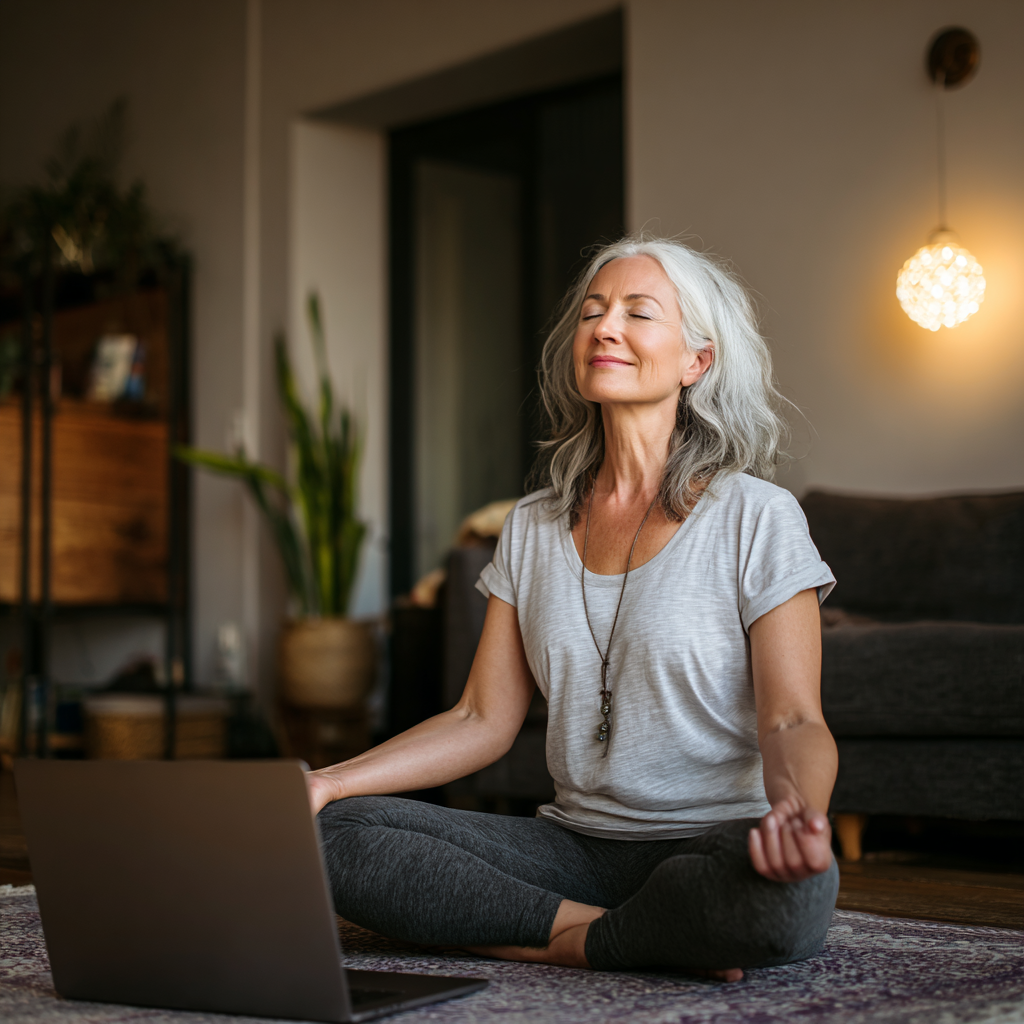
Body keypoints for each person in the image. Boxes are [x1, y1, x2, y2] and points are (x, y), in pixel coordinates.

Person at [309, 236, 839, 981]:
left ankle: (541, 928)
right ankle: (602, 938)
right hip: (573, 851)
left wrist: (797, 815)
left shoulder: (757, 516)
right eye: (593, 312)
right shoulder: (530, 525)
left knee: (782, 898)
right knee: (332, 834)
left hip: (713, 843)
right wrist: (331, 780)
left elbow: (792, 720)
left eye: (637, 313)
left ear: (698, 362)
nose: (604, 328)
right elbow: (479, 719)